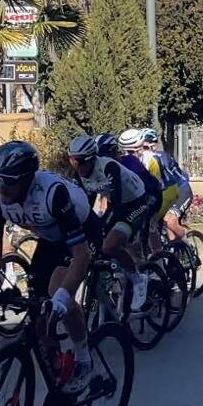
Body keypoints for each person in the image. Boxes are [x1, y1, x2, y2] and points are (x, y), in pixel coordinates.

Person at [0, 140, 98, 395]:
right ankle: (58, 371)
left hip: (83, 233)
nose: (3, 187)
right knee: (39, 315)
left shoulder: (53, 194)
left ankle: (85, 358)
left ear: (27, 179)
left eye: (10, 181)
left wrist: (62, 297)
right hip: (50, 239)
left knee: (57, 291)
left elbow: (80, 255)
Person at [67, 132, 159, 310]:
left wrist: (100, 228)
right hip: (118, 205)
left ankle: (138, 279)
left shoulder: (109, 167)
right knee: (91, 245)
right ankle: (111, 279)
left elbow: (115, 205)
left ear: (91, 158)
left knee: (109, 244)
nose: (76, 166)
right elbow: (84, 206)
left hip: (136, 202)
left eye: (79, 161)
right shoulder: (79, 173)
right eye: (71, 160)